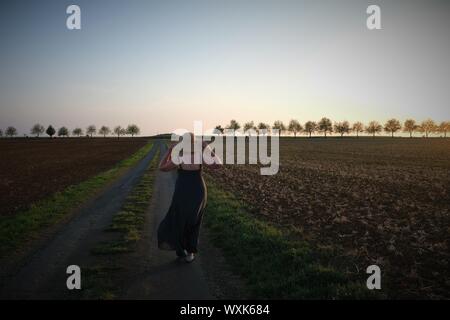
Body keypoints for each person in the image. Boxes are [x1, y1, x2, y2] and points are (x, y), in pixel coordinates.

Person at [158, 133, 222, 262]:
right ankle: (190, 252)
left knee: (179, 218)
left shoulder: (179, 157)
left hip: (182, 189)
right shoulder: (200, 156)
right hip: (198, 189)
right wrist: (206, 148)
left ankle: (181, 249)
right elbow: (218, 164)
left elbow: (162, 167)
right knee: (194, 220)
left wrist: (169, 151)